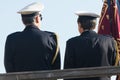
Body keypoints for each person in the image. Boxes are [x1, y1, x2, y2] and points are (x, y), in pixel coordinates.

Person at [4, 2, 61, 73]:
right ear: (37, 18)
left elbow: (9, 68)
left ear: (22, 21)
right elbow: (56, 69)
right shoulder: (52, 38)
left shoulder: (11, 39)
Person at [64, 11, 116, 80]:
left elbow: (67, 72)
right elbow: (115, 65)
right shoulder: (109, 41)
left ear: (79, 24)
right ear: (94, 25)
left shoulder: (71, 43)